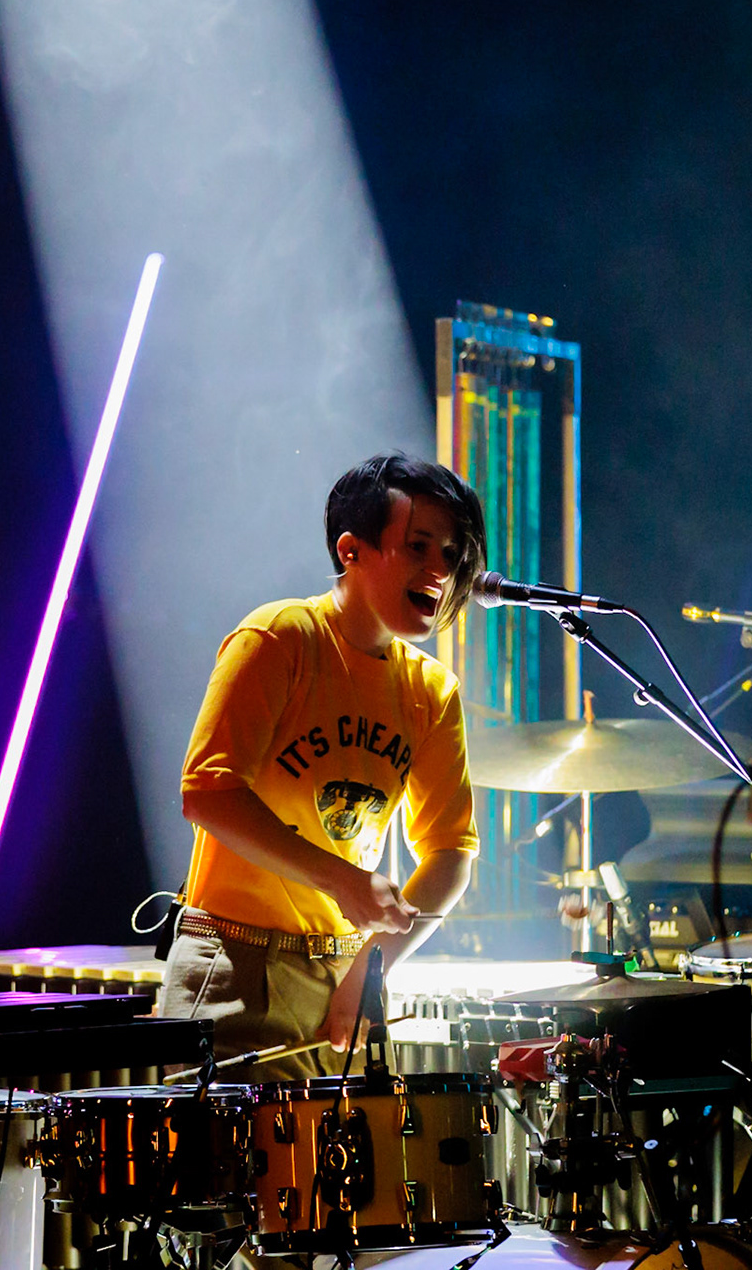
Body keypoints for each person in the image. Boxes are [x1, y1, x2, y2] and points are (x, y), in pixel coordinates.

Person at [159, 452, 487, 1081]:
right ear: (351, 550)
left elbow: (452, 854)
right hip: (235, 962)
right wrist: (342, 881)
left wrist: (375, 962)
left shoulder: (432, 692)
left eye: (451, 554)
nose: (440, 571)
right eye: (419, 546)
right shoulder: (279, 638)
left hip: (343, 972)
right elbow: (208, 794)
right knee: (220, 1181)